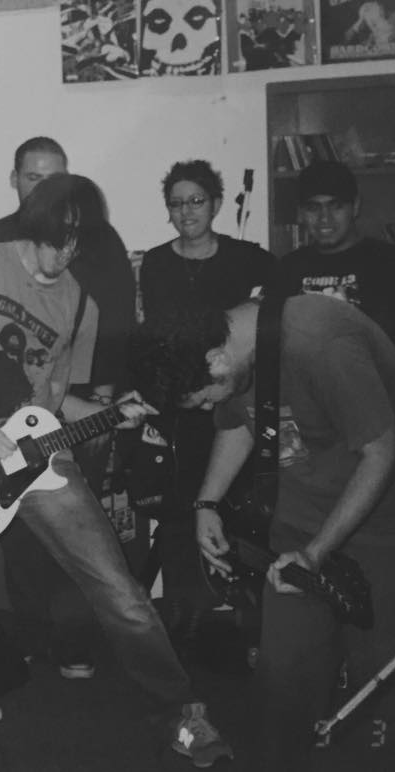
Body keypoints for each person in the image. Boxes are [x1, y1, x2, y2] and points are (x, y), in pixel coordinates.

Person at [0, 173, 233, 769]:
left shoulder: (79, 302)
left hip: (40, 462)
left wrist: (109, 414)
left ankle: (180, 714)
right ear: (35, 224)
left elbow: (48, 405)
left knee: (120, 590)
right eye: (57, 239)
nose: (65, 254)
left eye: (78, 242)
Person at [133, 295, 395, 771]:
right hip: (303, 521)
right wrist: (207, 503)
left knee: (387, 683)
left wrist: (316, 554)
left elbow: (379, 454)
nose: (204, 408)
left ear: (217, 361)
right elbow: (241, 420)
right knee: (283, 676)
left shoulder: (322, 343)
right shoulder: (231, 346)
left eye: (202, 398)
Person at [0, 137, 137, 679]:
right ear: (13, 179)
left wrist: (104, 402)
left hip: (82, 408)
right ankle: (28, 636)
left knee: (80, 524)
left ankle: (75, 641)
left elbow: (119, 322)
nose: (43, 187)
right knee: (22, 523)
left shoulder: (100, 240)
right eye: (32, 177)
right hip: (13, 409)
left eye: (54, 177)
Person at [137, 159, 276, 616]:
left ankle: (245, 617)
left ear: (215, 203)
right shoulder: (155, 263)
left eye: (195, 200)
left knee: (240, 506)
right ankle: (186, 615)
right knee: (182, 511)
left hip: (233, 402)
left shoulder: (247, 257)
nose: (186, 212)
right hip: (179, 408)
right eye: (175, 204)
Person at [278, 160, 395, 368]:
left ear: (355, 207)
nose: (324, 218)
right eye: (313, 208)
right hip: (304, 391)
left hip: (373, 390)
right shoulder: (288, 267)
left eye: (336, 206)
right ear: (301, 213)